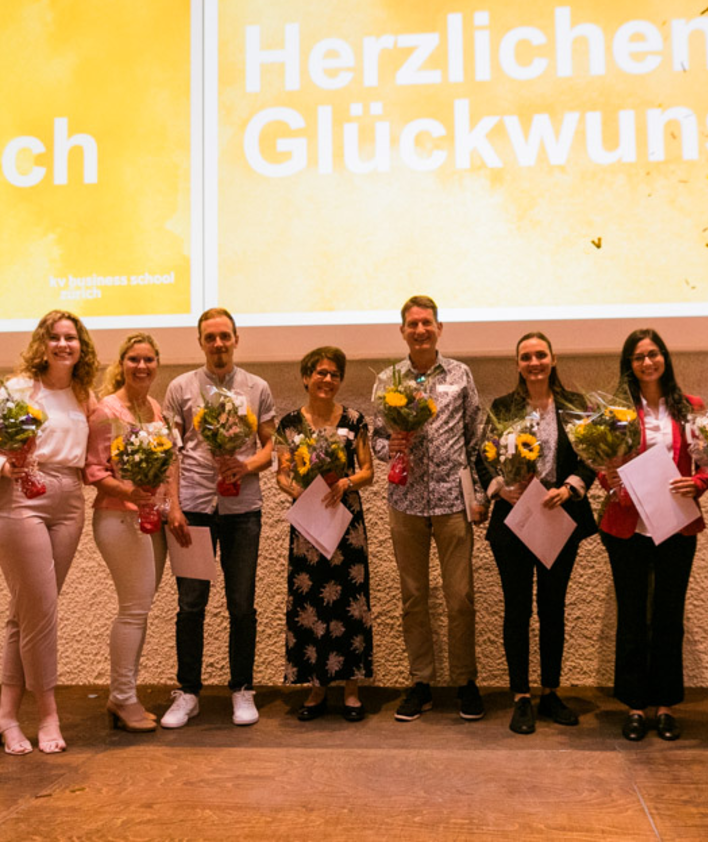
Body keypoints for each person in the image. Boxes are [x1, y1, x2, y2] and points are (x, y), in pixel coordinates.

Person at [0, 310, 98, 755]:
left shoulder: (84, 394)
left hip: (69, 500)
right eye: (55, 337)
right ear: (42, 344)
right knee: (40, 612)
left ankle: (5, 715)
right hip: (21, 496)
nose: (63, 345)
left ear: (81, 346)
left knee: (26, 613)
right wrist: (6, 466)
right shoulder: (20, 389)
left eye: (71, 337)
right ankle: (47, 716)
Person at [474, 332, 598, 734]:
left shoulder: (575, 405)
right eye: (526, 357)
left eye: (540, 355)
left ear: (553, 359)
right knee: (517, 610)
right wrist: (500, 488)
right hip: (515, 521)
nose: (534, 363)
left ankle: (550, 693)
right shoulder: (503, 407)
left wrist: (572, 487)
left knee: (552, 608)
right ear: (518, 364)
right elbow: (483, 457)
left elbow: (592, 456)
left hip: (559, 518)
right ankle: (520, 696)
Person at [372, 295, 488, 722]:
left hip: (453, 501)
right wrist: (390, 446)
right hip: (405, 502)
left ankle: (465, 681)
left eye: (427, 323)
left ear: (439, 328)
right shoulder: (387, 380)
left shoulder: (461, 375)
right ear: (402, 331)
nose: (420, 330)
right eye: (412, 324)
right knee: (413, 597)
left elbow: (476, 438)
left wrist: (479, 496)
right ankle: (420, 682)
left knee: (461, 598)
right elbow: (375, 440)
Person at [159, 308, 276, 728]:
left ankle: (242, 689)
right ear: (201, 342)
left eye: (225, 336)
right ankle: (188, 692)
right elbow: (171, 452)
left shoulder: (258, 387)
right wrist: (173, 506)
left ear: (236, 339)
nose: (218, 344)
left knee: (242, 604)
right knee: (191, 604)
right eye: (210, 337)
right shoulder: (180, 387)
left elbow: (270, 448)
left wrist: (245, 467)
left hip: (242, 510)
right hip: (193, 508)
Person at [599, 329, 708, 743]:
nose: (647, 362)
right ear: (629, 365)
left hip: (676, 522)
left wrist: (697, 484)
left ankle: (665, 705)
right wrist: (610, 482)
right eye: (638, 357)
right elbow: (604, 465)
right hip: (627, 525)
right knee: (631, 616)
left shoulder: (691, 408)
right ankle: (634, 705)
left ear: (665, 357)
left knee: (668, 615)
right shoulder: (616, 413)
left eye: (653, 354)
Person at [275, 347, 375, 722]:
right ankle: (316, 687)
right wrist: (301, 493)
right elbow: (282, 474)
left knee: (350, 600)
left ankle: (351, 689)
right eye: (320, 372)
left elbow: (368, 471)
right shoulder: (288, 424)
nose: (327, 379)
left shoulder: (354, 420)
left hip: (346, 521)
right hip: (308, 521)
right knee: (311, 599)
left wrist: (346, 482)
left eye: (334, 374)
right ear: (305, 377)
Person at [84, 333, 178, 733]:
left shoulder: (154, 408)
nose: (142, 366)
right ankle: (122, 698)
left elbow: (169, 463)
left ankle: (124, 694)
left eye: (149, 360)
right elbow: (92, 471)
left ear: (157, 364)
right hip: (118, 519)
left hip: (150, 520)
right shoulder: (106, 410)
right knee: (133, 609)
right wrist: (130, 493)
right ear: (121, 364)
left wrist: (170, 506)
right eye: (134, 360)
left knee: (140, 608)